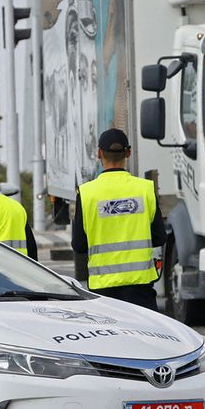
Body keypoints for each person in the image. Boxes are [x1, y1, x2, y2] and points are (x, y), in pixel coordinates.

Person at [71, 129, 165, 309]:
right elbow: (160, 237)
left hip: (103, 290)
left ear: (99, 154)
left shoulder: (86, 193)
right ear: (128, 152)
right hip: (140, 288)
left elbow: (79, 245)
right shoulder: (145, 189)